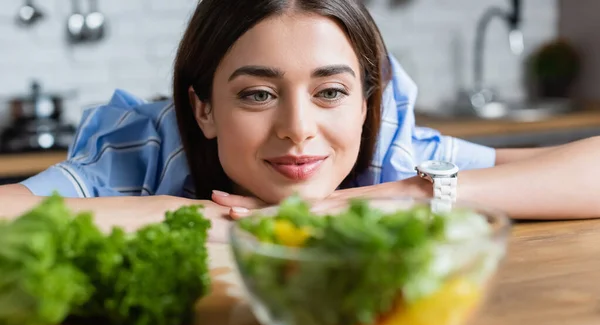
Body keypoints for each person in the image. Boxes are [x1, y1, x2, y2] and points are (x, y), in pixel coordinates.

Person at [1, 0, 599, 242]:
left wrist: (413, 194)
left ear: (367, 104)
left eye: (331, 91)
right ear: (203, 109)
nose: (298, 127)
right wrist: (200, 217)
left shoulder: (389, 151)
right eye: (258, 95)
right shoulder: (140, 151)